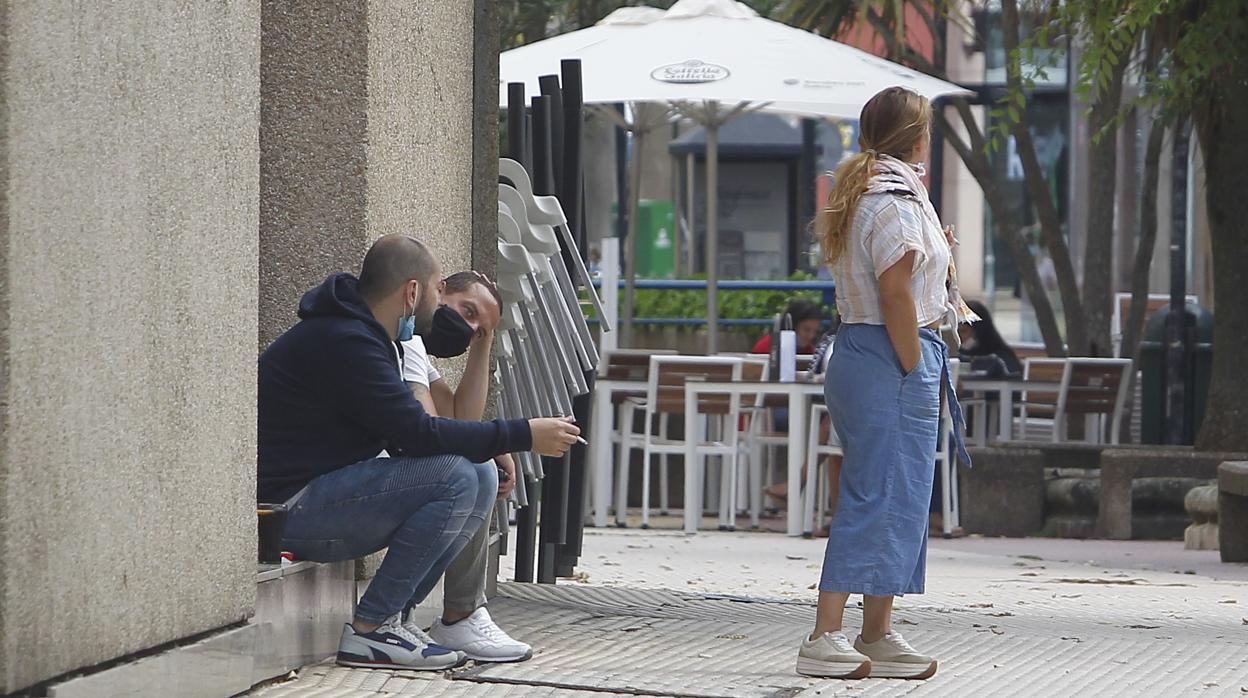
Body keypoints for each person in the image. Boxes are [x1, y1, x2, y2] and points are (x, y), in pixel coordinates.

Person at [258, 234, 580, 671]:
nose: (437, 303)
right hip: (287, 509)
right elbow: (417, 436)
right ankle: (372, 631)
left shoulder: (366, 336)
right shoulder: (346, 340)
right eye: (434, 290)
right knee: (456, 477)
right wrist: (521, 433)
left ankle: (397, 620)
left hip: (317, 495)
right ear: (412, 293)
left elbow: (415, 434)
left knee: (479, 474)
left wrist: (497, 441)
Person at [795, 87, 974, 680]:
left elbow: (891, 275)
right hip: (890, 352)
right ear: (919, 136)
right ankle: (826, 634)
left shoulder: (863, 189)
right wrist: (911, 362)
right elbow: (895, 291)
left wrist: (936, 255)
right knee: (878, 493)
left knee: (896, 493)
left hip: (860, 348)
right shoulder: (896, 199)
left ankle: (876, 631)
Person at [399, 271, 531, 663]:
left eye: (478, 327)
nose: (468, 326)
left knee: (479, 465)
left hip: (388, 474)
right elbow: (434, 432)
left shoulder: (415, 348)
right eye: (468, 311)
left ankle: (459, 615)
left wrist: (484, 341)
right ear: (439, 291)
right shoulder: (402, 342)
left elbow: (460, 417)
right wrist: (504, 438)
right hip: (356, 482)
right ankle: (423, 615)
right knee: (473, 467)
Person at [957, 299, 1022, 376]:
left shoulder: (1002, 358)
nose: (959, 336)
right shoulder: (958, 357)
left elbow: (1012, 383)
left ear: (979, 331)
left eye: (963, 331)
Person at [751, 298, 823, 355]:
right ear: (793, 325)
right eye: (806, 330)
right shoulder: (766, 348)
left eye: (815, 331)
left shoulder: (808, 351)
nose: (811, 336)